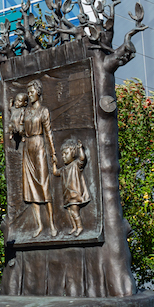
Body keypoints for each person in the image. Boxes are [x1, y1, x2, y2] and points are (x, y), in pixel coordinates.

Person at [20, 79, 58, 237]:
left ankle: (52, 224)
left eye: (31, 92)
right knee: (30, 187)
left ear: (38, 92)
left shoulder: (44, 110)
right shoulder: (26, 111)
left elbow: (48, 132)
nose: (29, 95)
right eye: (28, 93)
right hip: (27, 148)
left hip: (39, 145)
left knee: (44, 184)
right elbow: (21, 129)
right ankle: (39, 226)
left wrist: (53, 153)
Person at [55, 138, 91, 236]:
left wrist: (80, 148)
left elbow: (82, 159)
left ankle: (80, 227)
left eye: (66, 154)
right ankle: (74, 227)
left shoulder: (75, 164)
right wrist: (54, 163)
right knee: (70, 212)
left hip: (75, 194)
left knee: (75, 212)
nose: (63, 157)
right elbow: (55, 172)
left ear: (73, 153)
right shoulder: (63, 169)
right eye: (62, 154)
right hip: (67, 195)